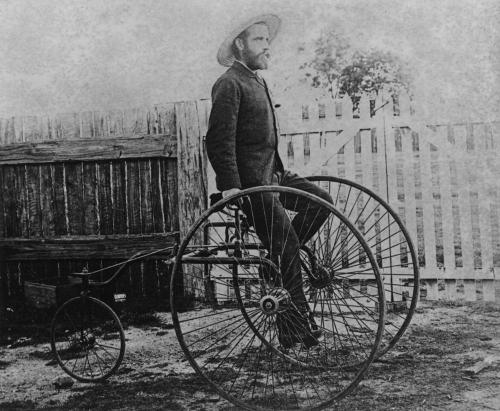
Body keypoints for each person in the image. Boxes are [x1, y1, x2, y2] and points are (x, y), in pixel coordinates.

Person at [205, 14, 333, 348]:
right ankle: (294, 330)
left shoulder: (257, 81)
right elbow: (219, 141)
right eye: (259, 40)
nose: (267, 47)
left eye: (267, 40)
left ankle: (275, 263)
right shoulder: (229, 83)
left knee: (322, 203)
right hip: (252, 185)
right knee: (287, 245)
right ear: (240, 44)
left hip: (274, 174)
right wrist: (231, 185)